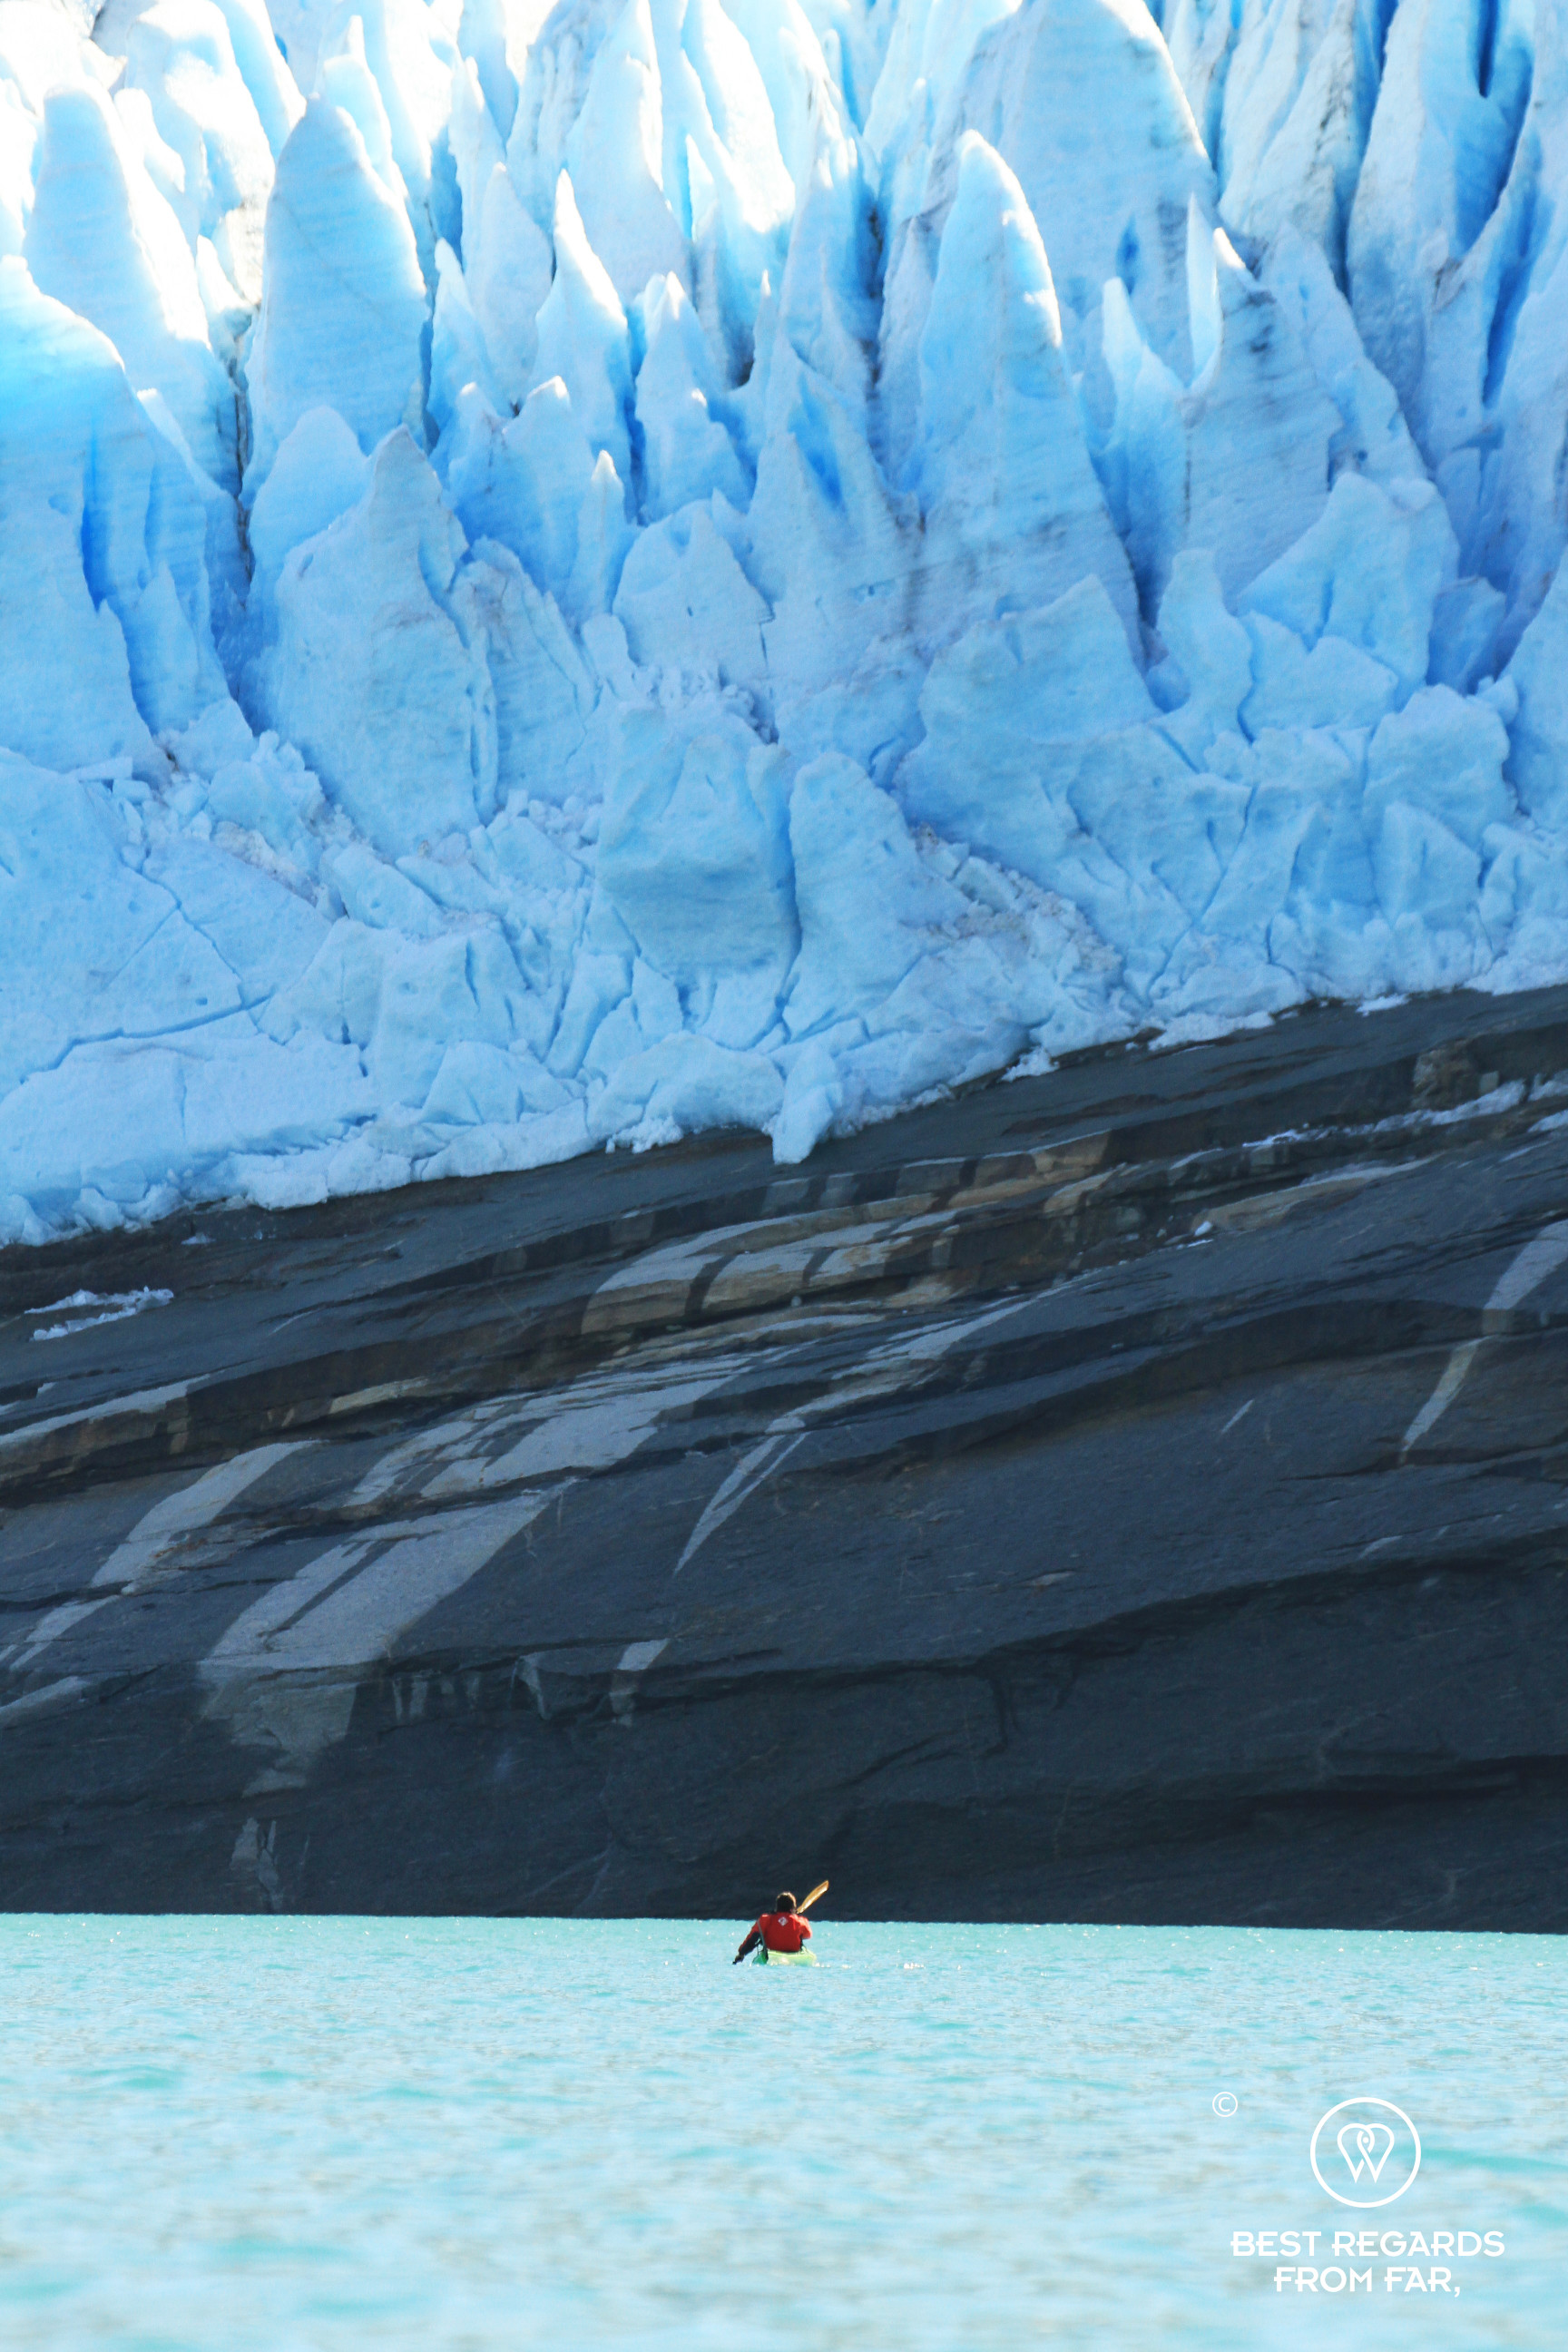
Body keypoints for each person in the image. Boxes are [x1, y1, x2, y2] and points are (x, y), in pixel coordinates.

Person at [733, 1891, 812, 1964]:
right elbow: (808, 1935)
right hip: (794, 1955)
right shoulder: (801, 1921)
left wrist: (742, 1953)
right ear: (793, 1908)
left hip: (771, 1955)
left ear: (777, 1907)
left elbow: (753, 1938)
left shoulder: (765, 1919)